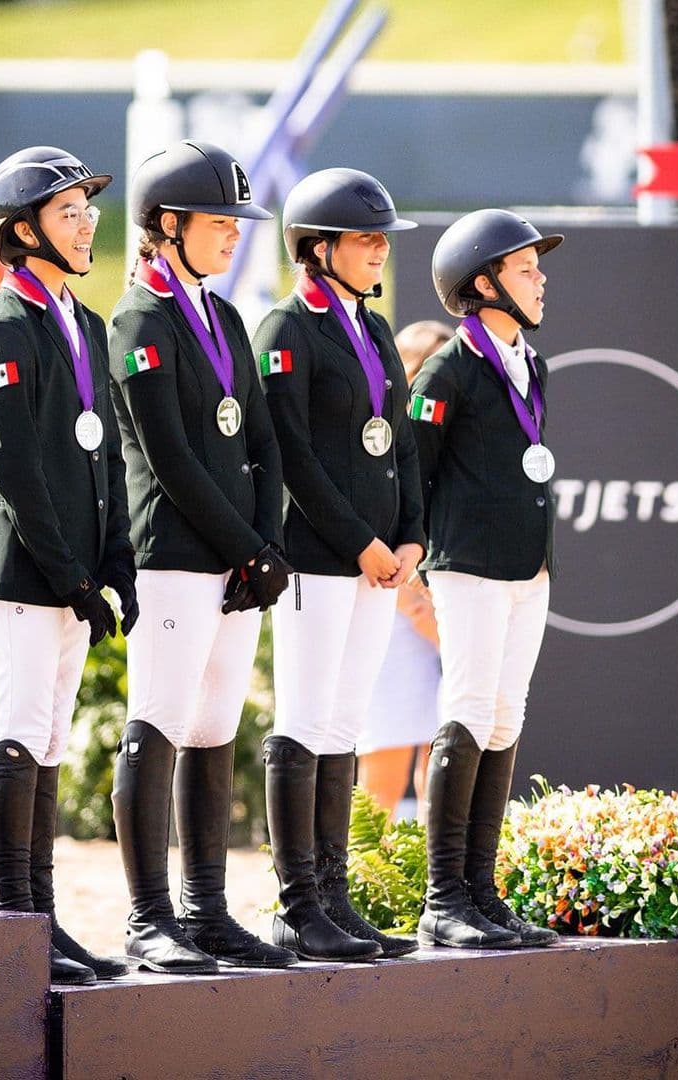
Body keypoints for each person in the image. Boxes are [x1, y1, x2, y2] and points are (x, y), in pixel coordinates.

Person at [108, 140, 294, 974]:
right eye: (220, 221)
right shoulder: (138, 320)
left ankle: (206, 910)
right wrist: (247, 546)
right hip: (174, 553)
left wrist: (266, 542)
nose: (234, 234)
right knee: (159, 718)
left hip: (237, 559)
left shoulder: (224, 317)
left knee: (216, 725)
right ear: (169, 224)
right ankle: (148, 918)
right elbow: (171, 458)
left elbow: (261, 438)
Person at [0, 146, 136, 985]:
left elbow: (105, 455)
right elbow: (15, 468)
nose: (86, 224)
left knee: (51, 739)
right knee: (20, 730)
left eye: (87, 211)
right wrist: (71, 574)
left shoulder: (87, 323)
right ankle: (12, 923)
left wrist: (117, 559)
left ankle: (43, 919)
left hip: (73, 572)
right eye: (68, 213)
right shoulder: (5, 325)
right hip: (24, 572)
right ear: (24, 232)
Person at [253, 168, 425, 961]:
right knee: (306, 719)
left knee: (347, 723)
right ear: (318, 248)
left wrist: (412, 534)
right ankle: (297, 905)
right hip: (320, 560)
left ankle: (335, 896)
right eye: (365, 239)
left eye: (382, 239)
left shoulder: (378, 330)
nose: (380, 250)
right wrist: (361, 541)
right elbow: (292, 455)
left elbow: (401, 442)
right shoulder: (286, 330)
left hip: (382, 562)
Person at [410, 209, 563, 950]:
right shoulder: (448, 369)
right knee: (468, 709)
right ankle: (443, 899)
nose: (541, 280)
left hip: (529, 564)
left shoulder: (535, 363)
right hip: (468, 565)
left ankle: (481, 891)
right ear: (484, 283)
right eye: (526, 269)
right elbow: (416, 468)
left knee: (506, 716)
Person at [356, 321, 454, 817]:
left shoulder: (459, 440)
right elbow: (379, 533)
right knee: (386, 765)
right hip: (396, 619)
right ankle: (365, 866)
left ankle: (434, 864)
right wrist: (419, 609)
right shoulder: (383, 440)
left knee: (448, 761)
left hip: (450, 618)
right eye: (433, 367)